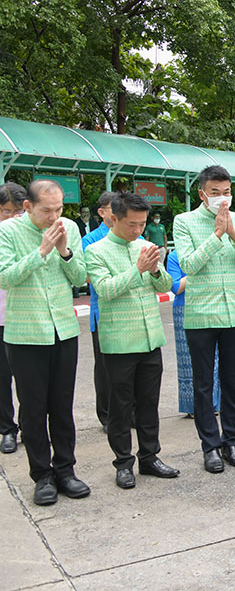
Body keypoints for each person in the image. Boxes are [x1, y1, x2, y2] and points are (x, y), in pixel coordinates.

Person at [0, 180, 90, 505]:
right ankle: (42, 475)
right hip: (25, 335)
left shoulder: (69, 228)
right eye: (46, 210)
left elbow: (80, 278)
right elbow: (4, 277)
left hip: (63, 330)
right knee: (34, 409)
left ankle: (66, 469)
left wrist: (64, 250)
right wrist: (41, 252)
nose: (54, 217)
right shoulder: (7, 232)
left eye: (59, 209)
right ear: (28, 207)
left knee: (62, 407)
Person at [86, 192, 179, 489]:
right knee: (120, 407)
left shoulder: (146, 246)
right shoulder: (96, 251)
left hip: (150, 338)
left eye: (141, 224)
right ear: (114, 219)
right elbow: (106, 290)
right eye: (131, 224)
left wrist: (154, 268)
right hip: (119, 342)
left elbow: (166, 286)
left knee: (149, 405)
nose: (137, 230)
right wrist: (137, 269)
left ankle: (150, 457)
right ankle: (123, 463)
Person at [173, 165, 235, 473]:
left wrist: (234, 234)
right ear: (202, 193)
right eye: (215, 193)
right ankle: (209, 446)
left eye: (226, 193)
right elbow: (189, 265)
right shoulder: (183, 222)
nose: (222, 199)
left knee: (231, 383)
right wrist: (216, 236)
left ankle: (232, 442)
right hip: (200, 315)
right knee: (203, 385)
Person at [164, 251, 221, 417]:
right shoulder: (175, 256)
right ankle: (194, 406)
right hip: (184, 308)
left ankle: (214, 403)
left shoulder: (212, 251)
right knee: (188, 360)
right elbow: (176, 287)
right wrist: (198, 270)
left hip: (211, 305)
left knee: (215, 356)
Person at [81, 192, 115, 431]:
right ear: (102, 212)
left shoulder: (133, 234)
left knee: (129, 366)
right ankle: (107, 415)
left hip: (130, 312)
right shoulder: (90, 240)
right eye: (114, 209)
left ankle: (129, 411)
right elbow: (88, 276)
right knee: (104, 367)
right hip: (102, 312)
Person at [0, 182, 27, 454]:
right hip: (1, 317)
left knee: (30, 381)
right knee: (1, 378)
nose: (12, 217)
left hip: (27, 318)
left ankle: (31, 427)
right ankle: (7, 429)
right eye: (6, 211)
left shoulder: (30, 235)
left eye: (17, 212)